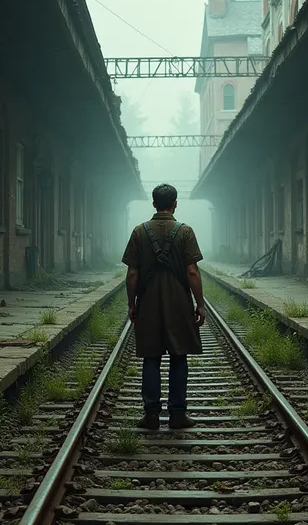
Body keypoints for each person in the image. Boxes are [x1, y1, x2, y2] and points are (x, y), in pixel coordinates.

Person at [122, 183, 205, 430]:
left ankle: (151, 416)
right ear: (175, 203)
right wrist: (200, 304)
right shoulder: (186, 231)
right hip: (179, 303)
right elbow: (192, 270)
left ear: (154, 203)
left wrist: (131, 304)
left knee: (151, 358)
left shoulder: (139, 232)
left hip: (148, 303)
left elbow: (132, 273)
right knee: (179, 357)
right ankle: (178, 415)